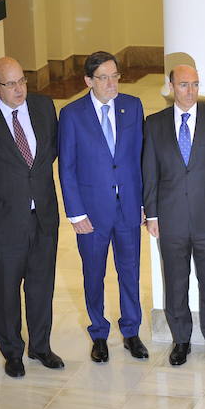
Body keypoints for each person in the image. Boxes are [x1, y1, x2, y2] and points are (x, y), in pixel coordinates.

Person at [0, 57, 63, 378]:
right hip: (2, 222)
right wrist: (2, 190)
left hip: (43, 217)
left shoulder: (44, 107)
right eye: (11, 84)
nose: (19, 89)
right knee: (6, 291)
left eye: (22, 81)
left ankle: (41, 346)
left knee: (41, 286)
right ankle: (12, 352)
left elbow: (51, 151)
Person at [142, 65, 205, 366]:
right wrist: (152, 214)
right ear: (171, 86)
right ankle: (180, 339)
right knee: (176, 282)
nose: (191, 91)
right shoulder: (154, 124)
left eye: (195, 84)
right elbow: (149, 173)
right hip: (170, 219)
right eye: (184, 85)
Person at [58, 51, 148, 363]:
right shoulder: (71, 114)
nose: (112, 83)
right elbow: (67, 168)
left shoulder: (132, 106)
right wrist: (75, 213)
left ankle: (131, 331)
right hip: (91, 214)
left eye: (115, 75)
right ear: (88, 81)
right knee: (93, 274)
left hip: (128, 209)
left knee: (130, 271)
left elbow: (140, 158)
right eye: (104, 78)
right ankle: (98, 332)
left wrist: (142, 203)